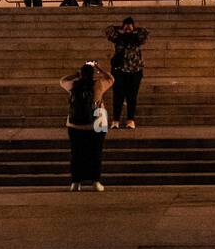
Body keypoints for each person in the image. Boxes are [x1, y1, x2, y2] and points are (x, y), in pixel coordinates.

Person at [60, 60, 113, 191]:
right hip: (98, 123)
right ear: (93, 74)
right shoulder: (99, 84)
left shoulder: (73, 85)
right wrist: (98, 68)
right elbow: (111, 78)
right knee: (96, 153)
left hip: (74, 124)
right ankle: (96, 181)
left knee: (76, 153)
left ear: (81, 74)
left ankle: (75, 182)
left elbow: (62, 80)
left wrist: (76, 74)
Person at [106, 16, 149, 129]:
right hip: (119, 71)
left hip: (135, 71)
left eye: (130, 25)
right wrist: (120, 27)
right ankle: (115, 120)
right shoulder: (119, 38)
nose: (127, 27)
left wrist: (135, 28)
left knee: (132, 97)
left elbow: (145, 32)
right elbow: (108, 30)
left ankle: (130, 120)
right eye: (126, 25)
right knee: (117, 97)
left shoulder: (137, 38)